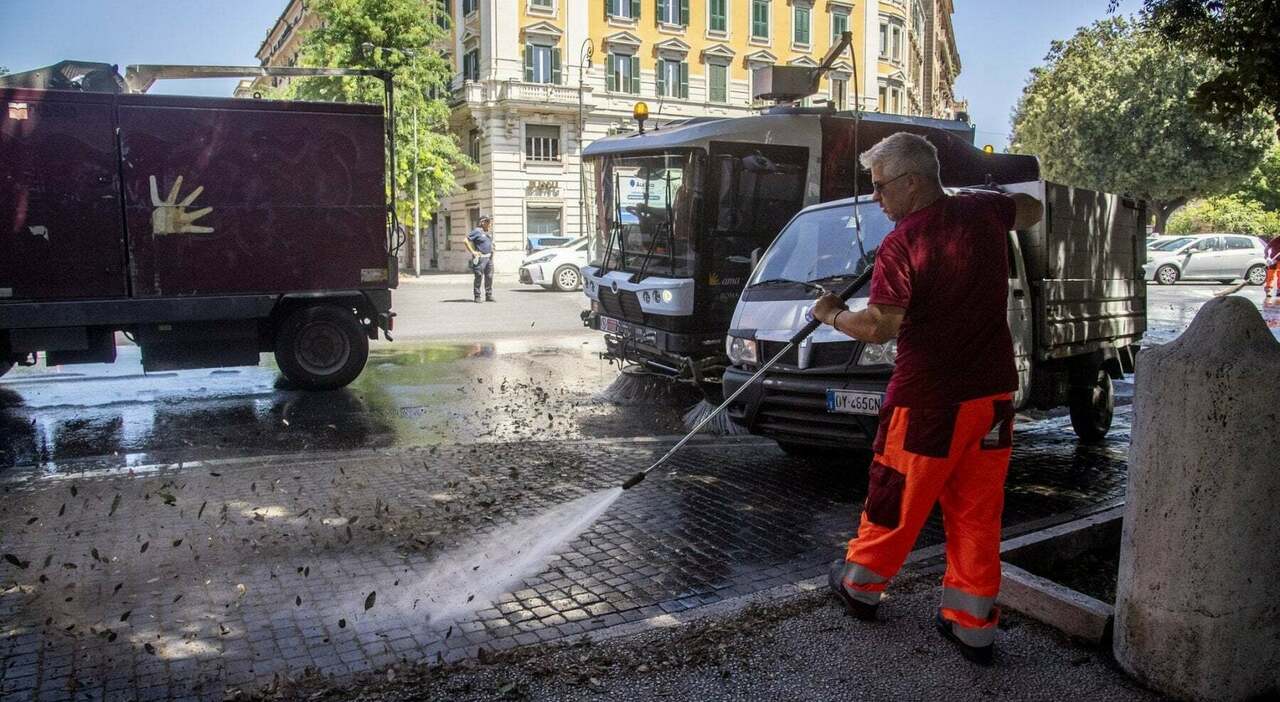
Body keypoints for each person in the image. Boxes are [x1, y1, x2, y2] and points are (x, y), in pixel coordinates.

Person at [812, 132, 1043, 665]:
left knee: (895, 497)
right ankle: (973, 624)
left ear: (912, 183)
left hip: (928, 402)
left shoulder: (904, 241)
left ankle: (860, 588)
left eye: (881, 187)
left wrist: (829, 314)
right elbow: (1028, 208)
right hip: (991, 398)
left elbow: (878, 326)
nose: (876, 198)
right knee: (978, 511)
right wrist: (978, 199)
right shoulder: (984, 212)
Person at [465, 215, 495, 303]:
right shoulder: (477, 231)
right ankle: (477, 296)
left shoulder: (488, 232)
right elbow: (465, 240)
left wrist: (492, 250)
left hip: (489, 258)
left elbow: (490, 243)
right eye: (488, 222)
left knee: (489, 277)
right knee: (478, 277)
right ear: (482, 222)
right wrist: (473, 252)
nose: (490, 224)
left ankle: (488, 295)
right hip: (480, 258)